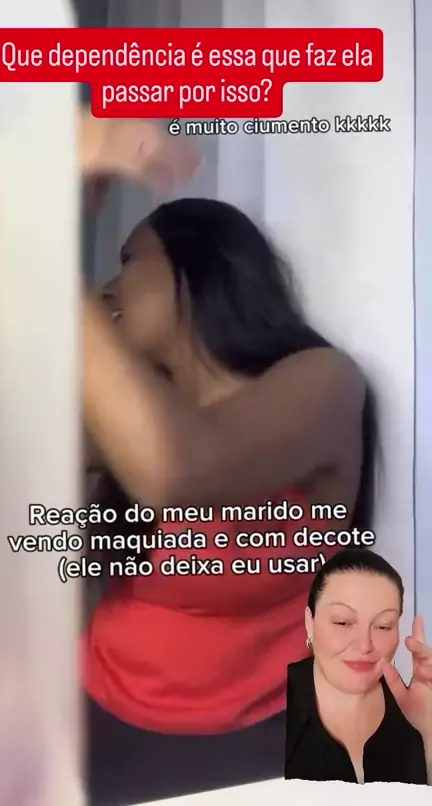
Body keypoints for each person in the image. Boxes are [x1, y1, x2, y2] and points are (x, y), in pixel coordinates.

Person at [78, 116, 377, 804]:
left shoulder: (322, 383)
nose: (109, 288)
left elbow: (182, 472)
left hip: (262, 744)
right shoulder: (126, 419)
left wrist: (42, 251)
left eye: (129, 261)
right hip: (101, 717)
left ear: (201, 270)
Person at [285, 548, 432, 784]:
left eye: (383, 626)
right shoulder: (271, 710)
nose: (365, 645)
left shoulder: (411, 707)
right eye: (342, 622)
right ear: (309, 623)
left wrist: (428, 731)